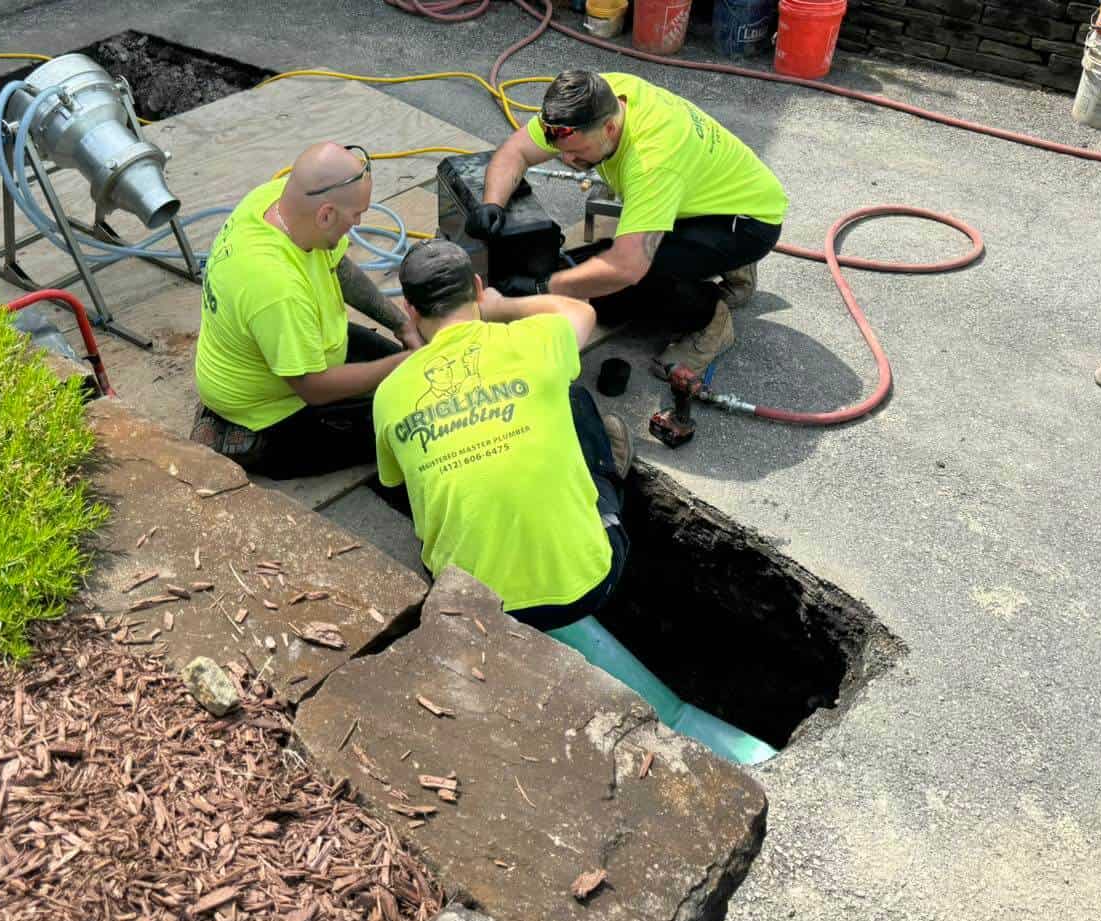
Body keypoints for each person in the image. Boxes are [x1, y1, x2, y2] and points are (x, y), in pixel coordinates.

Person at [374, 239, 633, 630]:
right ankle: (607, 487)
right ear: (477, 288)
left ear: (410, 310)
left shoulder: (390, 393)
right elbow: (580, 310)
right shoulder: (533, 342)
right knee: (574, 398)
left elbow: (396, 480)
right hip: (589, 586)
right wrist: (499, 307)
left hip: (470, 607)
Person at [466, 69, 788, 379]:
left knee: (625, 289)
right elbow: (517, 151)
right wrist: (492, 203)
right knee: (602, 264)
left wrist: (544, 289)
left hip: (748, 223)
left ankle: (710, 320)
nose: (569, 161)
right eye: (561, 152)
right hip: (707, 192)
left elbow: (625, 269)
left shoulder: (652, 162)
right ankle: (720, 260)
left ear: (608, 129)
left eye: (578, 152)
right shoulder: (593, 99)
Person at [192, 142, 422, 479]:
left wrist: (401, 325)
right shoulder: (275, 287)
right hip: (271, 409)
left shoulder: (278, 201)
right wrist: (399, 364)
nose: (358, 223)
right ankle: (237, 438)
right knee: (407, 425)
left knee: (410, 381)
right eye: (356, 214)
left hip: (304, 340)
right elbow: (312, 387)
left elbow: (338, 268)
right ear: (325, 214)